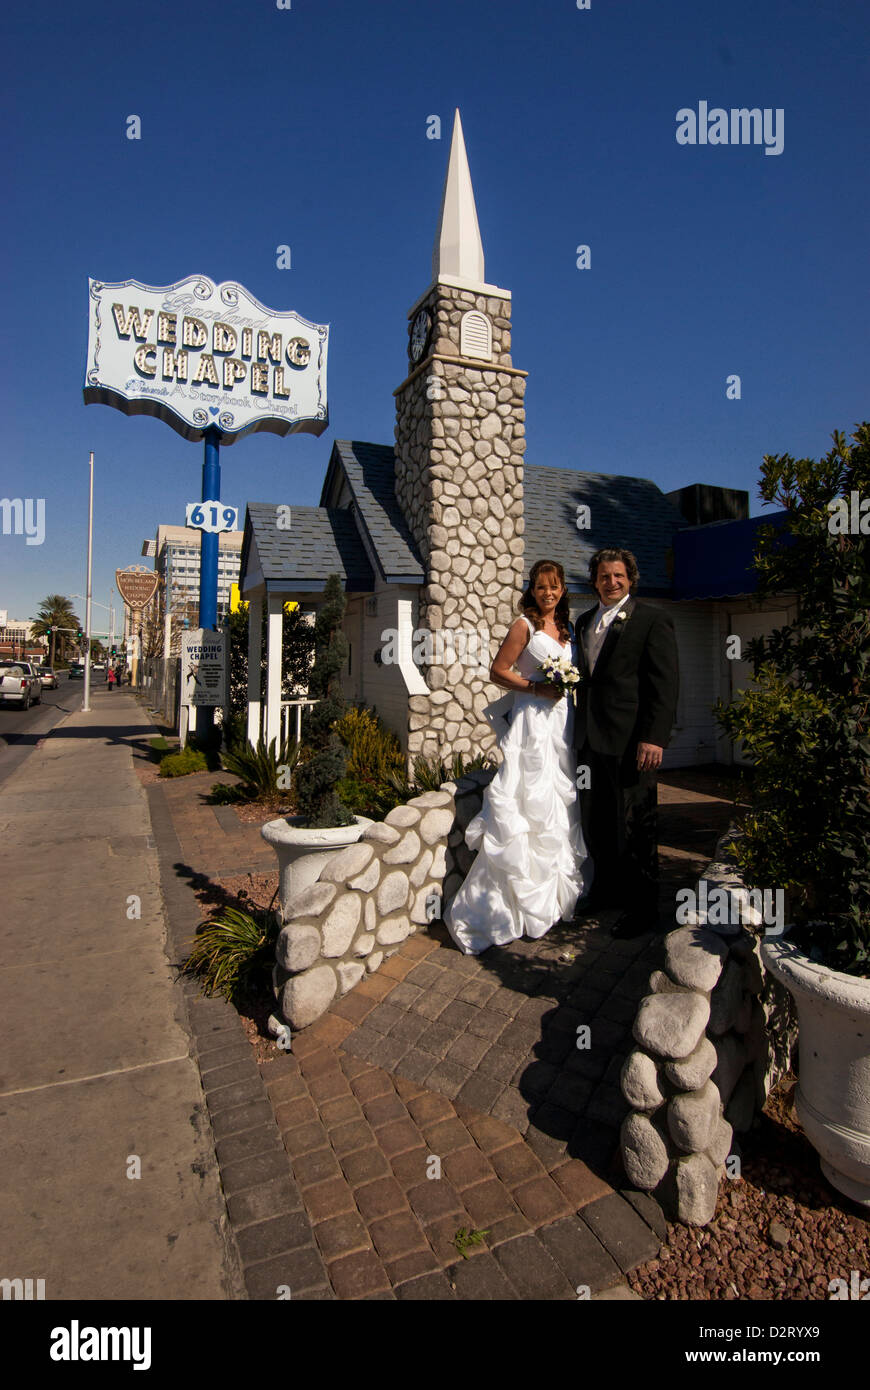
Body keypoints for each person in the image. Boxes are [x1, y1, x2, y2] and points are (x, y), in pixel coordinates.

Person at [444, 559, 592, 955]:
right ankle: (507, 907)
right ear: (532, 589)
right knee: (528, 799)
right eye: (541, 586)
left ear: (563, 590)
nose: (549, 593)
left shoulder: (568, 630)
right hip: (532, 722)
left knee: (558, 803)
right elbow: (497, 671)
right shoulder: (522, 626)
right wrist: (534, 687)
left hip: (561, 722)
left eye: (555, 586)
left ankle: (552, 899)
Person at [573, 547, 679, 939]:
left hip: (634, 741)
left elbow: (664, 684)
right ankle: (605, 891)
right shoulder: (584, 621)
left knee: (637, 824)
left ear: (630, 579)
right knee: (598, 820)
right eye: (604, 576)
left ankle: (643, 907)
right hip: (590, 738)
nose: (611, 582)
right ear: (595, 580)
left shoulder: (653, 619)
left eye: (618, 576)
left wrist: (654, 737)